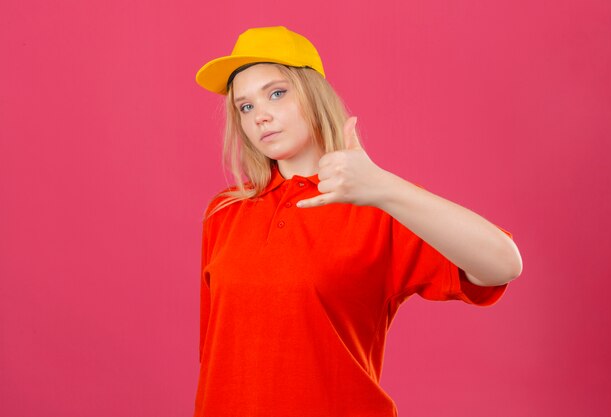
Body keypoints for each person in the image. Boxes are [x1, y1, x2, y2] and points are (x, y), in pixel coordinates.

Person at [192, 25, 523, 417]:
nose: (260, 116)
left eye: (276, 93)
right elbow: (215, 359)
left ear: (314, 96)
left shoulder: (376, 205)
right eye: (245, 106)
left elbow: (504, 264)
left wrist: (383, 186)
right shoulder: (225, 212)